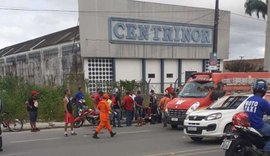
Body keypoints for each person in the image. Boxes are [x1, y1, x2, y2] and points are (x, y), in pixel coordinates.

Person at [244, 79, 270, 155]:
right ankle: (267, 151)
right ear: (265, 89)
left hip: (249, 125)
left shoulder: (249, 99)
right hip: (258, 125)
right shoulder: (263, 101)